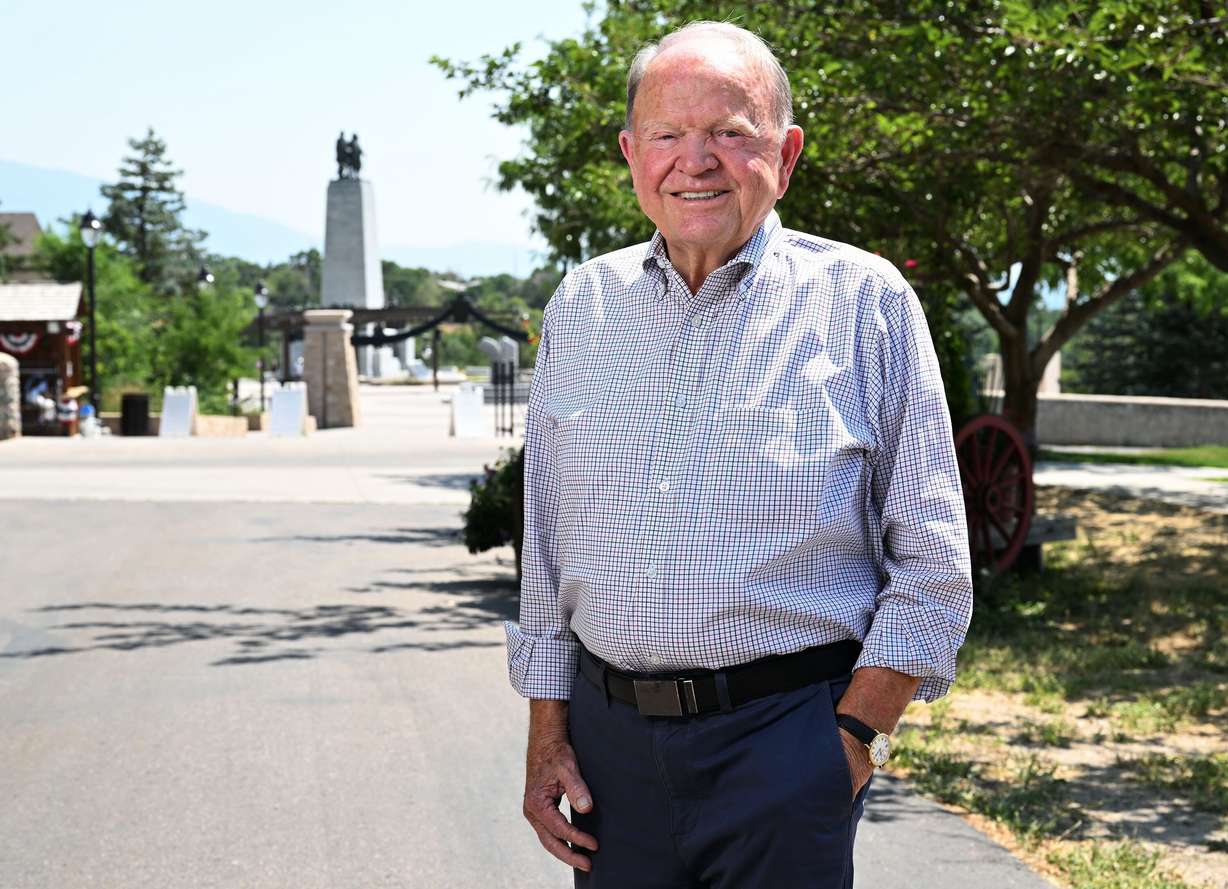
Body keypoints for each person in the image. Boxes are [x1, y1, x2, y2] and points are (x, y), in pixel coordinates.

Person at [508, 21, 974, 888]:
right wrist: (548, 736)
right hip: (610, 759)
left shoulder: (866, 302)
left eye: (729, 132)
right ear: (630, 153)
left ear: (786, 154)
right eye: (667, 135)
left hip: (786, 743)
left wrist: (850, 741)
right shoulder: (582, 304)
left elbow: (934, 565)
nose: (696, 160)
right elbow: (547, 547)